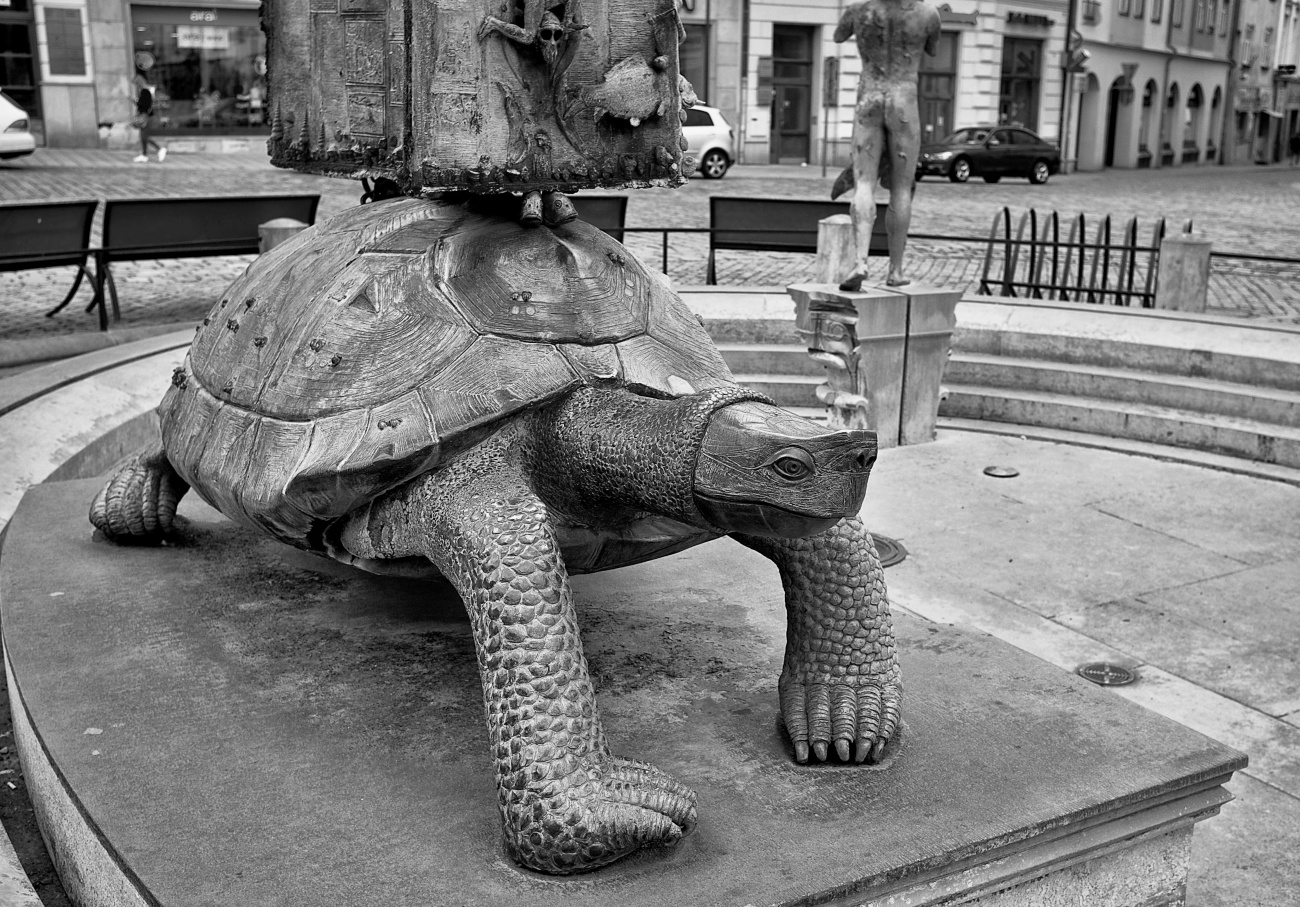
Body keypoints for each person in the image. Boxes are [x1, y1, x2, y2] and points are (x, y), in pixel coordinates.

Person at [833, 0, 941, 289]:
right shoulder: (928, 14)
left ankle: (860, 262)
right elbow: (932, 49)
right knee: (902, 188)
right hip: (904, 100)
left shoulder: (859, 10)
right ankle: (895, 271)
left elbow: (838, 35)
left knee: (863, 184)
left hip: (869, 97)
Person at [133, 78, 166, 164]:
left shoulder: (145, 91)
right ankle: (144, 155)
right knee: (143, 136)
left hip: (146, 117)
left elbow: (145, 105)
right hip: (146, 117)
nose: (136, 86)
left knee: (144, 136)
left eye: (137, 84)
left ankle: (159, 149)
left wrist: (136, 102)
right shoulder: (145, 91)